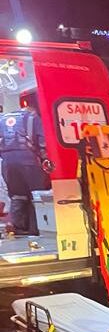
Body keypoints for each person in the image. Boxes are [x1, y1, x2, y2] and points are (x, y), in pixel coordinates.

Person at [0, 95, 50, 235]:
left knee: (17, 196)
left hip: (8, 163)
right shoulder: (33, 116)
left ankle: (19, 229)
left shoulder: (3, 119)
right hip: (28, 161)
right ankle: (37, 229)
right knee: (37, 196)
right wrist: (45, 158)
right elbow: (42, 140)